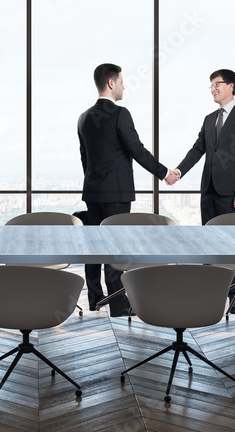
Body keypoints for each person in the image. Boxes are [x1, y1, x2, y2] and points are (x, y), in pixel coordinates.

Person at [78, 63, 172, 317]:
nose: (123, 86)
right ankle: (118, 305)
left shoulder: (84, 117)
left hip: (93, 190)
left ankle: (95, 298)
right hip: (116, 193)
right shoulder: (120, 114)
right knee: (114, 247)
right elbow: (137, 150)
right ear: (111, 83)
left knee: (93, 247)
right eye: (121, 81)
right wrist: (164, 173)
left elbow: (84, 157)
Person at [167, 68, 235, 313]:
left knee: (232, 244)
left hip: (232, 192)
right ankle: (210, 294)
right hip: (208, 188)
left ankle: (234, 298)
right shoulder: (209, 119)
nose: (213, 89)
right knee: (208, 242)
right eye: (210, 85)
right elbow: (198, 149)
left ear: (231, 86)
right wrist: (178, 171)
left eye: (217, 84)